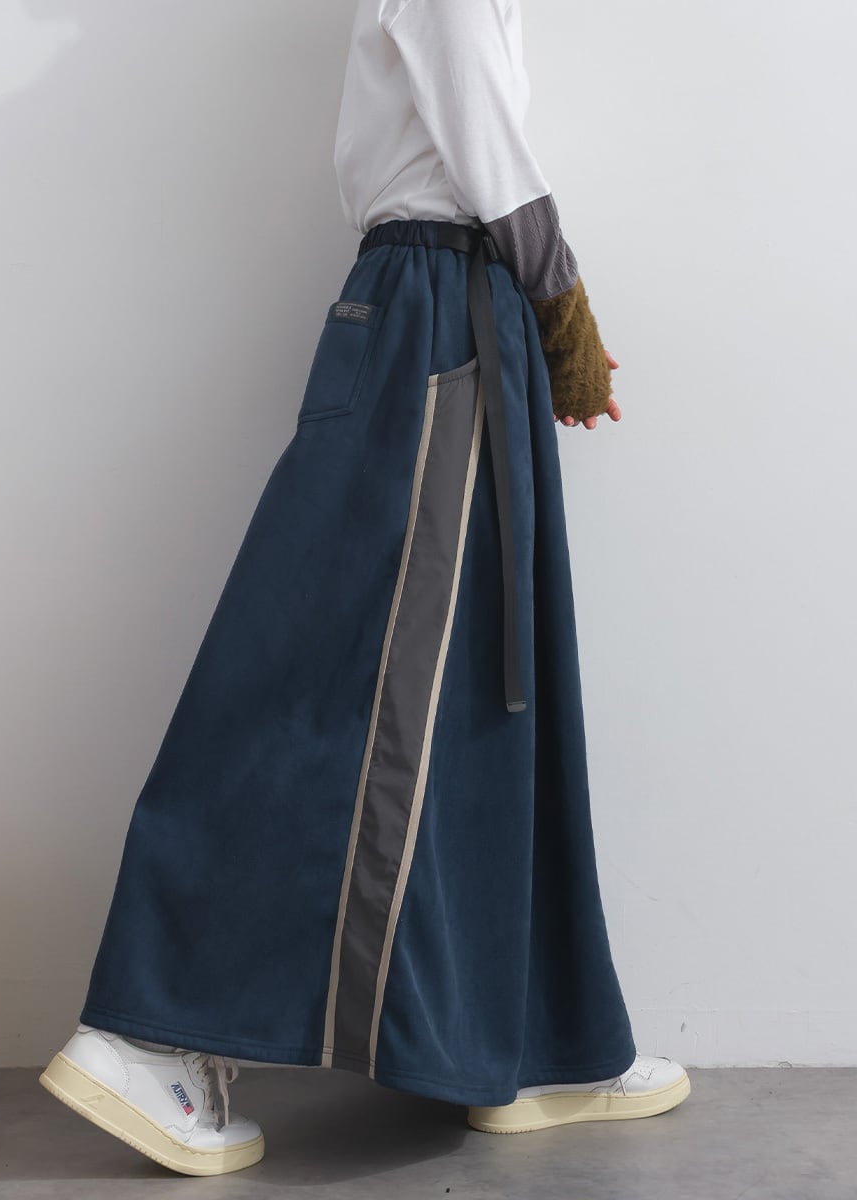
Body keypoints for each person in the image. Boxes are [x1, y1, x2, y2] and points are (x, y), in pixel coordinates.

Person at [39, 0, 690, 1177]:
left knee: (480, 696)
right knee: (323, 683)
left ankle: (526, 1042)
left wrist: (535, 305)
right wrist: (558, 293)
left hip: (452, 315)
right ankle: (151, 1031)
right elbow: (482, 135)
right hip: (439, 315)